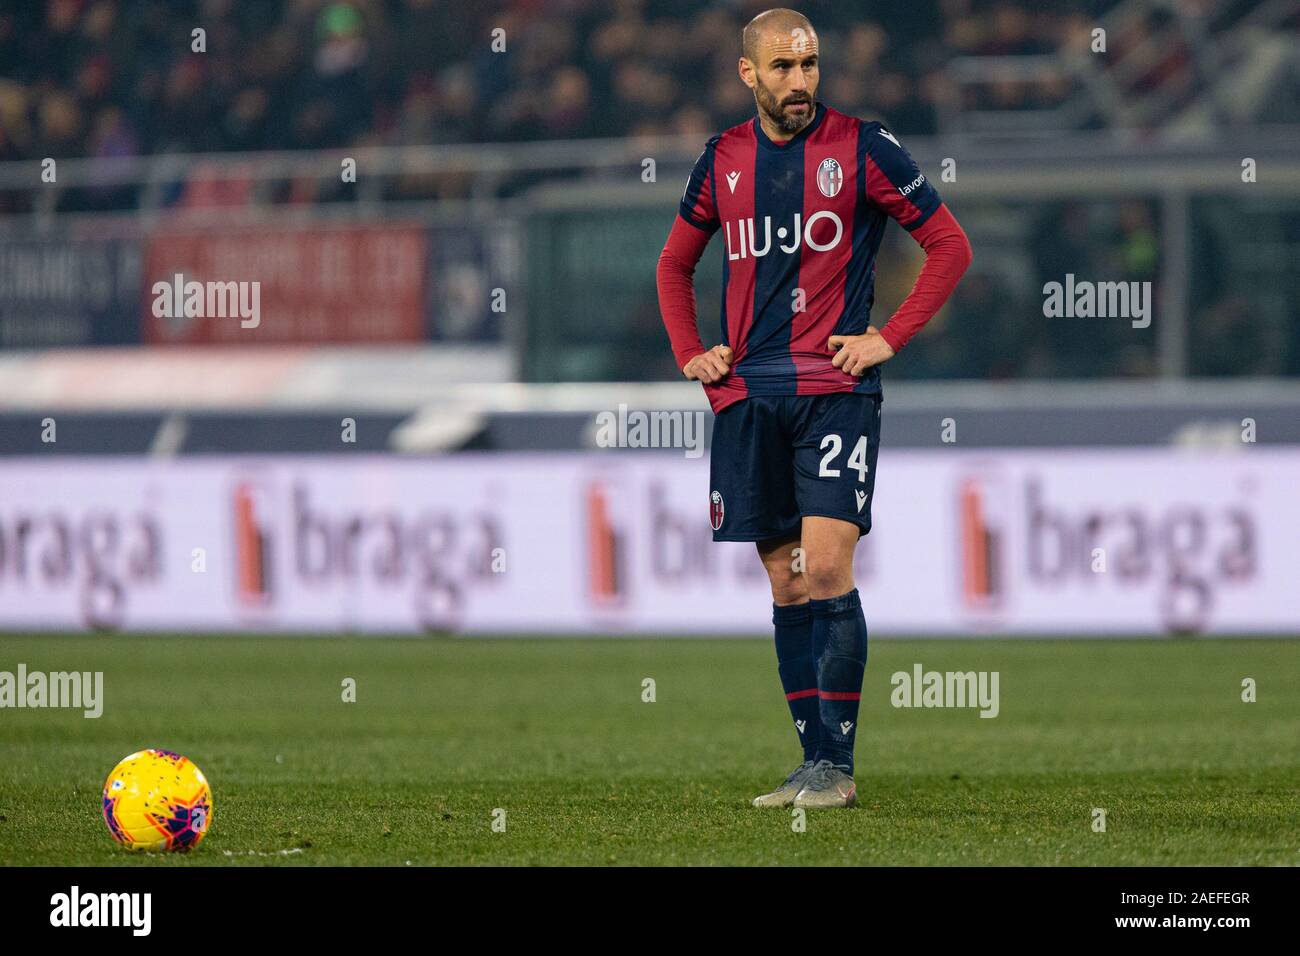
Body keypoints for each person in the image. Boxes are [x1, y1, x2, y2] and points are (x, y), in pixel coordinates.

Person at [655, 8, 972, 808]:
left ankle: (838, 768)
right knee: (787, 583)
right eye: (784, 68)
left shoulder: (865, 146)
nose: (801, 82)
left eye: (811, 65)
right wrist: (695, 355)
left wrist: (888, 338)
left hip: (834, 393)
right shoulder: (722, 158)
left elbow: (949, 244)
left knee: (827, 565)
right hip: (751, 397)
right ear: (749, 74)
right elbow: (673, 266)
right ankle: (811, 761)